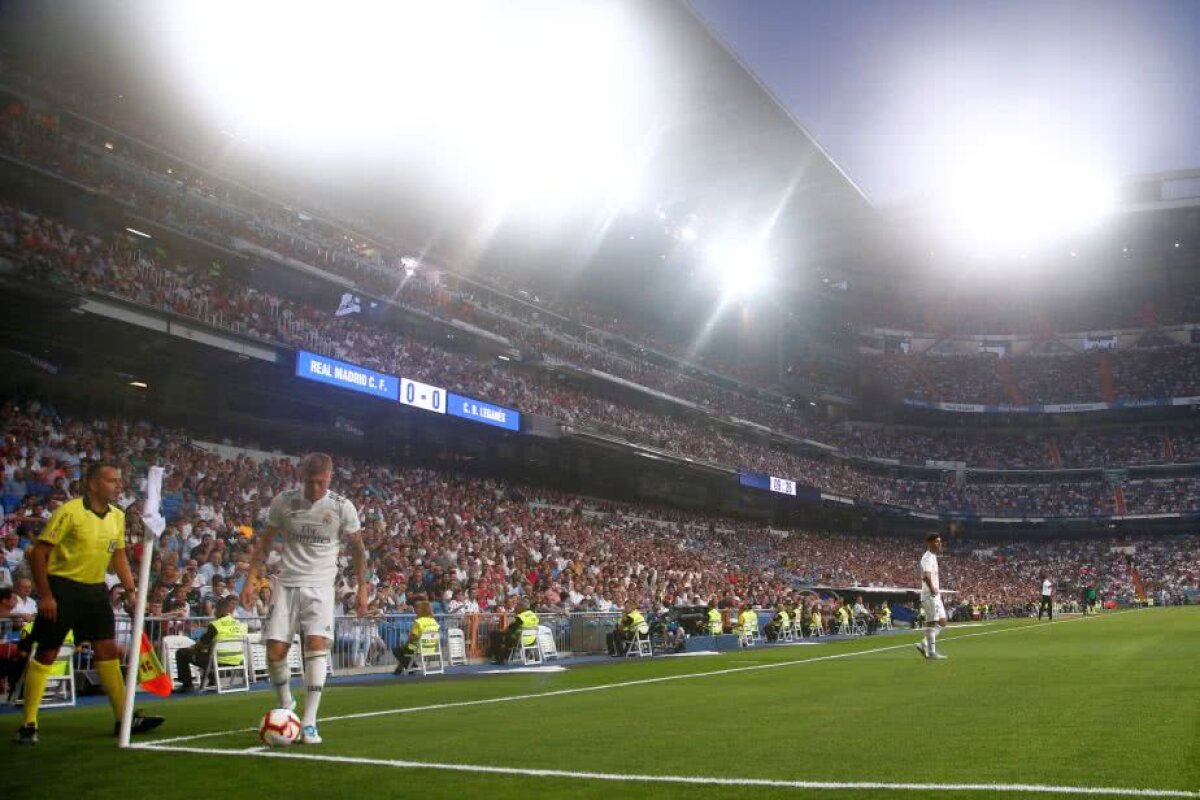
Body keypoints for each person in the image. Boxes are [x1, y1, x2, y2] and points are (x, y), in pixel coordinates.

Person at [15, 462, 164, 744]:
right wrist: (46, 595)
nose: (119, 485)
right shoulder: (70, 511)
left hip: (95, 590)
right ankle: (29, 723)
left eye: (120, 480)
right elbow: (37, 554)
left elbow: (118, 556)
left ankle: (124, 717)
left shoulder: (117, 517)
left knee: (107, 649)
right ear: (93, 484)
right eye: (112, 480)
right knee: (47, 652)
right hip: (63, 588)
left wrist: (132, 590)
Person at [241, 453, 366, 746]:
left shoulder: (341, 506)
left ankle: (309, 723)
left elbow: (359, 550)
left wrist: (363, 589)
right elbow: (264, 543)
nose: (314, 489)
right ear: (301, 478)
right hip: (286, 584)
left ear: (330, 478)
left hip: (321, 587)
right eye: (309, 483)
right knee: (274, 653)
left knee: (316, 645)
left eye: (320, 483)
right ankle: (287, 703)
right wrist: (250, 579)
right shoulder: (283, 501)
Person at [173, 596, 247, 692]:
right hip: (237, 660)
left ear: (217, 610)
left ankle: (187, 686)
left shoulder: (216, 625)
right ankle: (212, 680)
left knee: (182, 653)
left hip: (218, 661)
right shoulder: (238, 624)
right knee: (208, 654)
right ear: (228, 610)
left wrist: (191, 648)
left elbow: (201, 645)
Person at [916, 533, 948, 660]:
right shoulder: (927, 558)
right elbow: (926, 576)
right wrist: (932, 588)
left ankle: (923, 643)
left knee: (943, 621)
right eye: (936, 542)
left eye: (940, 542)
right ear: (929, 543)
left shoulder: (933, 557)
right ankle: (932, 652)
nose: (939, 544)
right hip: (929, 594)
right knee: (932, 621)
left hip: (935, 595)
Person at [392, 600, 439, 675]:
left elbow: (412, 637)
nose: (415, 610)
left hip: (418, 647)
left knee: (397, 650)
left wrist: (407, 644)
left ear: (422, 610)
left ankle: (412, 666)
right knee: (406, 652)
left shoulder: (418, 622)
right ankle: (400, 669)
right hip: (433, 647)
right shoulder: (434, 621)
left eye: (417, 608)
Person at [489, 600, 539, 664]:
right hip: (532, 640)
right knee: (503, 637)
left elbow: (509, 628)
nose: (516, 607)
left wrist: (502, 631)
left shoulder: (521, 617)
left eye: (518, 605)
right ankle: (504, 656)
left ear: (522, 607)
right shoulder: (533, 615)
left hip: (521, 640)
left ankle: (499, 659)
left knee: (495, 634)